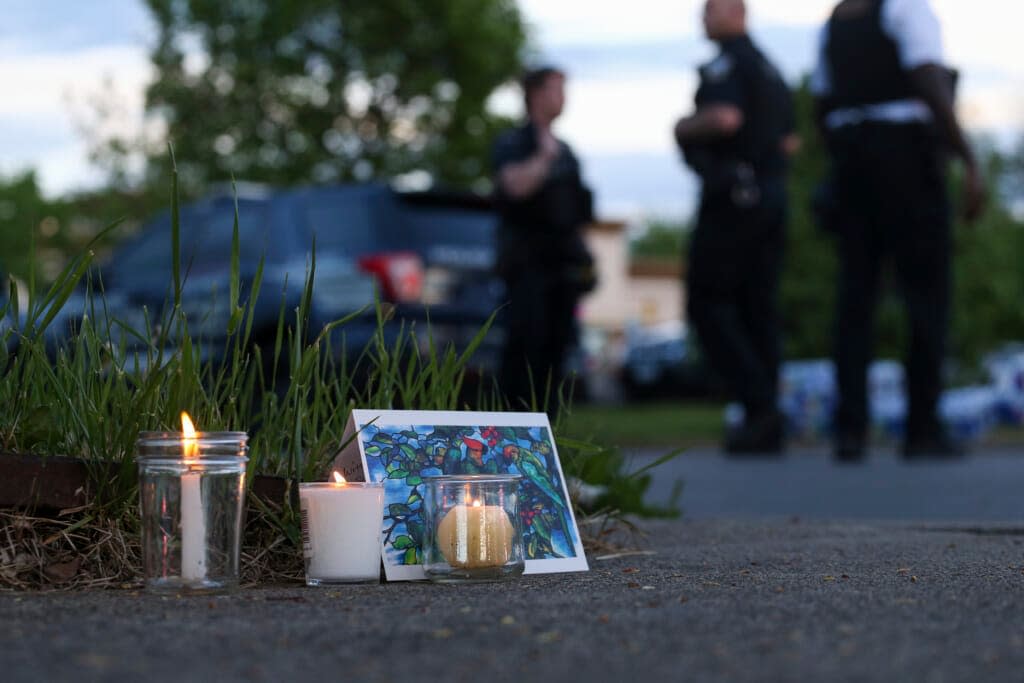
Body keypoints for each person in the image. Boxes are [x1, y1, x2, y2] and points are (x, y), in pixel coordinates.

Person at [811, 0, 986, 461]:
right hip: (904, 157)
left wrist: (846, 154)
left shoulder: (833, 23)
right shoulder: (907, 8)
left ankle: (850, 431)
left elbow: (822, 101)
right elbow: (927, 77)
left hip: (851, 157)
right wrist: (966, 156)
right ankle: (922, 429)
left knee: (855, 297)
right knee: (926, 292)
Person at [673, 0, 796, 454]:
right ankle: (766, 420)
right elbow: (790, 141)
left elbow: (725, 118)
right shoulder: (770, 69)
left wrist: (682, 127)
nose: (703, 16)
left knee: (707, 302)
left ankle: (760, 404)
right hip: (770, 196)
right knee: (757, 306)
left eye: (712, 9)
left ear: (738, 12)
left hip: (734, 198)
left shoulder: (730, 64)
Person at [492, 66, 596, 414]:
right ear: (535, 94)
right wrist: (543, 158)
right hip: (527, 268)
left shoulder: (568, 152)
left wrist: (586, 259)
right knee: (524, 349)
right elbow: (514, 187)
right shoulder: (514, 144)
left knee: (556, 353)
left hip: (563, 269)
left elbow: (578, 214)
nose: (562, 97)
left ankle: (548, 431)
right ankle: (511, 427)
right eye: (555, 89)